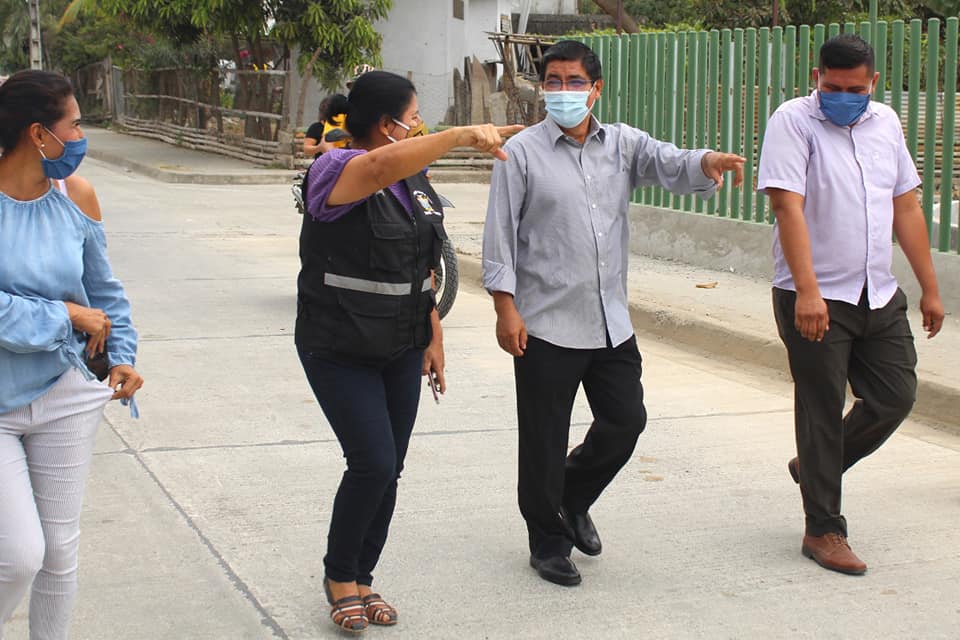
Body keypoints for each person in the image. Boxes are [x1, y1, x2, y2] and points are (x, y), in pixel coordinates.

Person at [482, 40, 744, 587]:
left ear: (596, 89)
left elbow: (671, 162)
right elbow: (500, 235)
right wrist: (506, 309)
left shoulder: (622, 144)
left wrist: (708, 162)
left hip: (609, 322)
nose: (562, 91)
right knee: (543, 440)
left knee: (626, 421)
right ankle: (547, 542)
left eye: (574, 81)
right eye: (553, 81)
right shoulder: (521, 153)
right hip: (545, 324)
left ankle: (572, 496)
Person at [296, 69, 520, 632]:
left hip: (401, 341)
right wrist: (460, 135)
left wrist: (433, 333)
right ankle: (338, 575)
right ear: (385, 124)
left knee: (390, 468)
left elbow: (422, 263)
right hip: (338, 343)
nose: (419, 125)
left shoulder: (414, 178)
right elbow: (373, 170)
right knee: (371, 461)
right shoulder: (333, 168)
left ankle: (363, 575)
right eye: (413, 117)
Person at [757, 35, 944, 576]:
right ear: (816, 77)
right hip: (815, 295)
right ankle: (823, 529)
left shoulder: (886, 123)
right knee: (820, 407)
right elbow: (787, 207)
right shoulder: (793, 121)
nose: (843, 97)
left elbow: (905, 206)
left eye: (855, 90)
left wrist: (930, 289)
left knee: (894, 397)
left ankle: (818, 465)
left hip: (877, 292)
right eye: (832, 87)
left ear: (873, 83)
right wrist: (808, 291)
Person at [0, 70, 143, 639]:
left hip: (66, 390)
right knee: (19, 555)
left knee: (59, 550)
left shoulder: (76, 196)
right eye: (76, 125)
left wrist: (123, 353)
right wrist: (65, 315)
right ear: (39, 133)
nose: (82, 137)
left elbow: (103, 290)